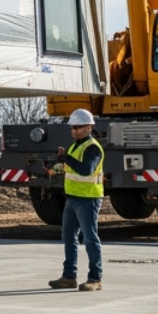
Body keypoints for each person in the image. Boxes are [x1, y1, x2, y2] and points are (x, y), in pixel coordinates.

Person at [48, 108, 104, 291]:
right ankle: (69, 276)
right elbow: (70, 166)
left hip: (88, 199)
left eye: (78, 127)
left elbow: (86, 169)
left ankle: (95, 278)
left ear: (88, 127)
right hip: (72, 199)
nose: (74, 131)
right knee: (69, 237)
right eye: (72, 127)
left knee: (89, 238)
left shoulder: (93, 148)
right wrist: (55, 167)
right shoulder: (74, 146)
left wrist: (66, 158)